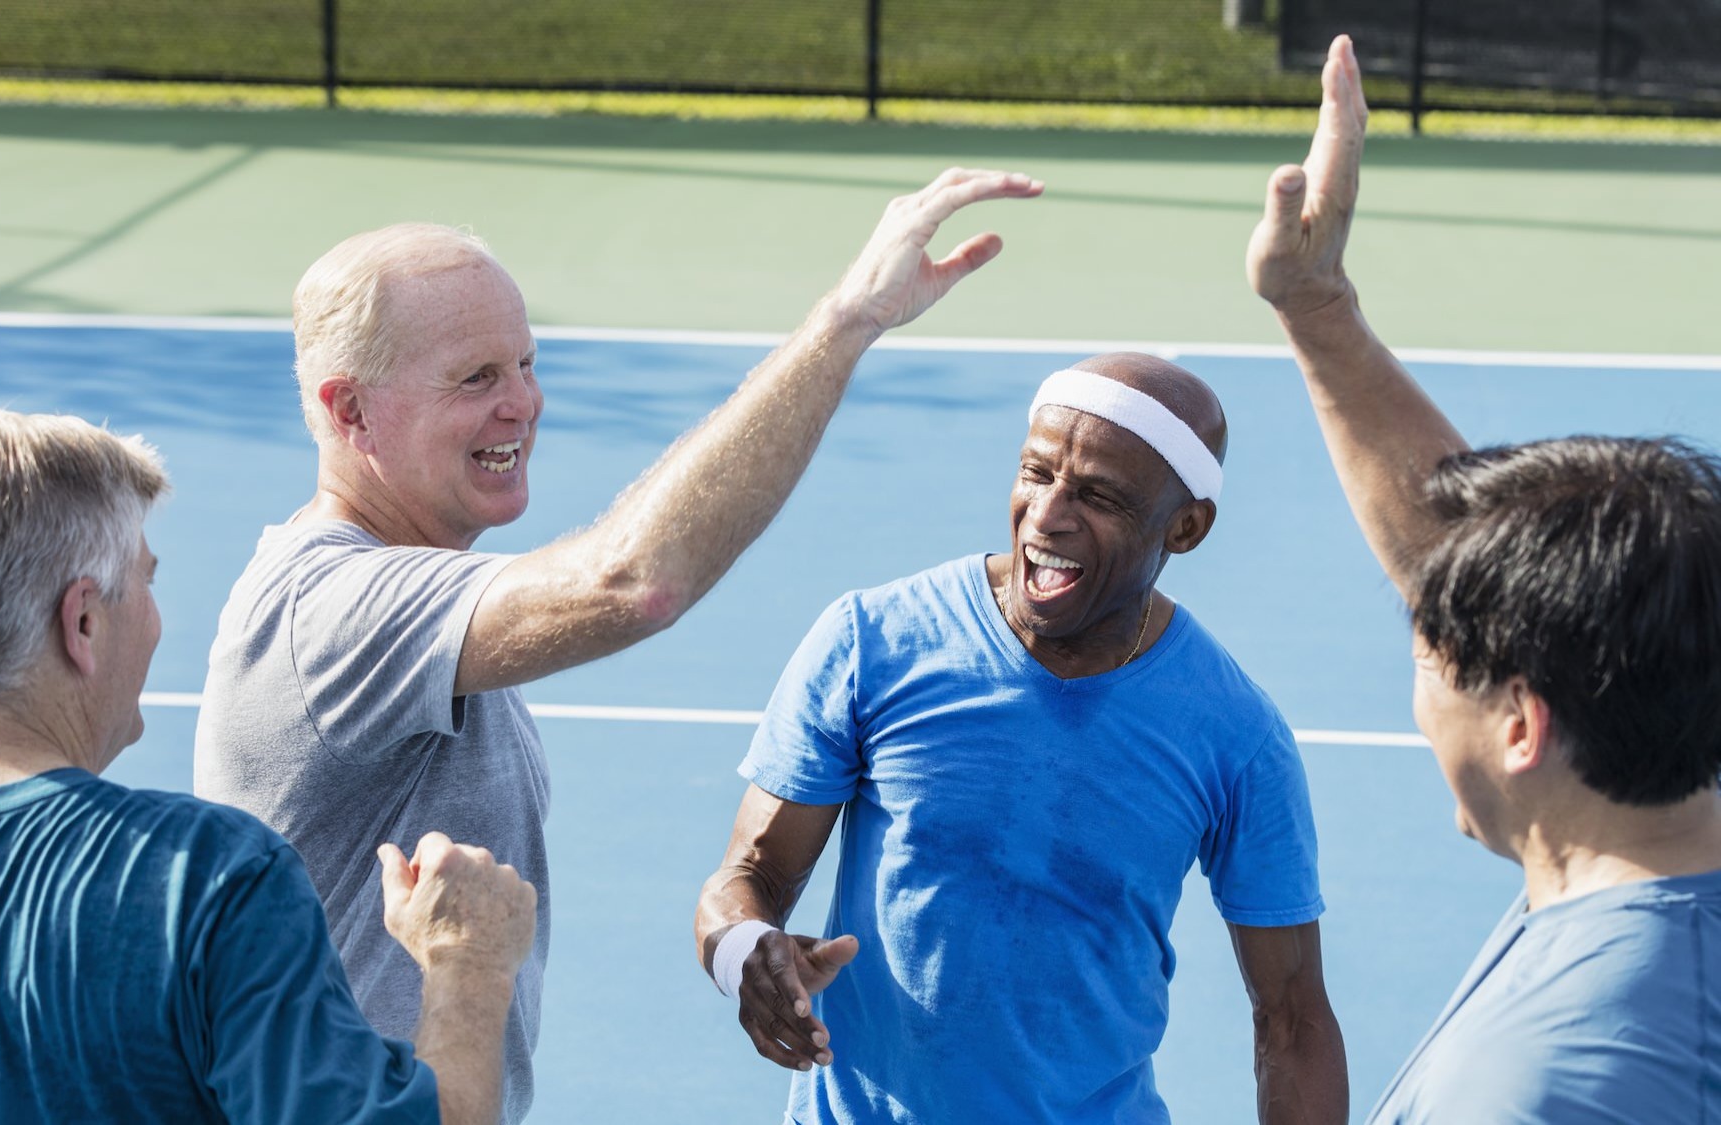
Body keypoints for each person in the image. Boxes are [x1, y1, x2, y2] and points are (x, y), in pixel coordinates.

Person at [191, 168, 1044, 1121]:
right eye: (477, 377)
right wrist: (847, 320)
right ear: (347, 410)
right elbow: (633, 580)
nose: (524, 403)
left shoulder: (416, 596)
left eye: (525, 363)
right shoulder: (334, 608)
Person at [1250, 36, 1721, 1122]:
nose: (1418, 678)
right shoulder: (1661, 862)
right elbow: (1468, 578)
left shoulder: (1537, 1089)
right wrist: (1317, 313)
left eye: (1430, 654)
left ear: (1523, 726)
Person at [695, 352, 1349, 1123]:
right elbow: (750, 874)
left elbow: (1293, 1015)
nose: (1048, 514)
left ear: (1187, 526)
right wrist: (746, 954)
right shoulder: (871, 641)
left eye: (1098, 494)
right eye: (1036, 473)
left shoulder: (1237, 733)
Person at [0, 409, 537, 1125]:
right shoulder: (204, 878)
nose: (156, 620)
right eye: (145, 583)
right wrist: (470, 963)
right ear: (82, 621)